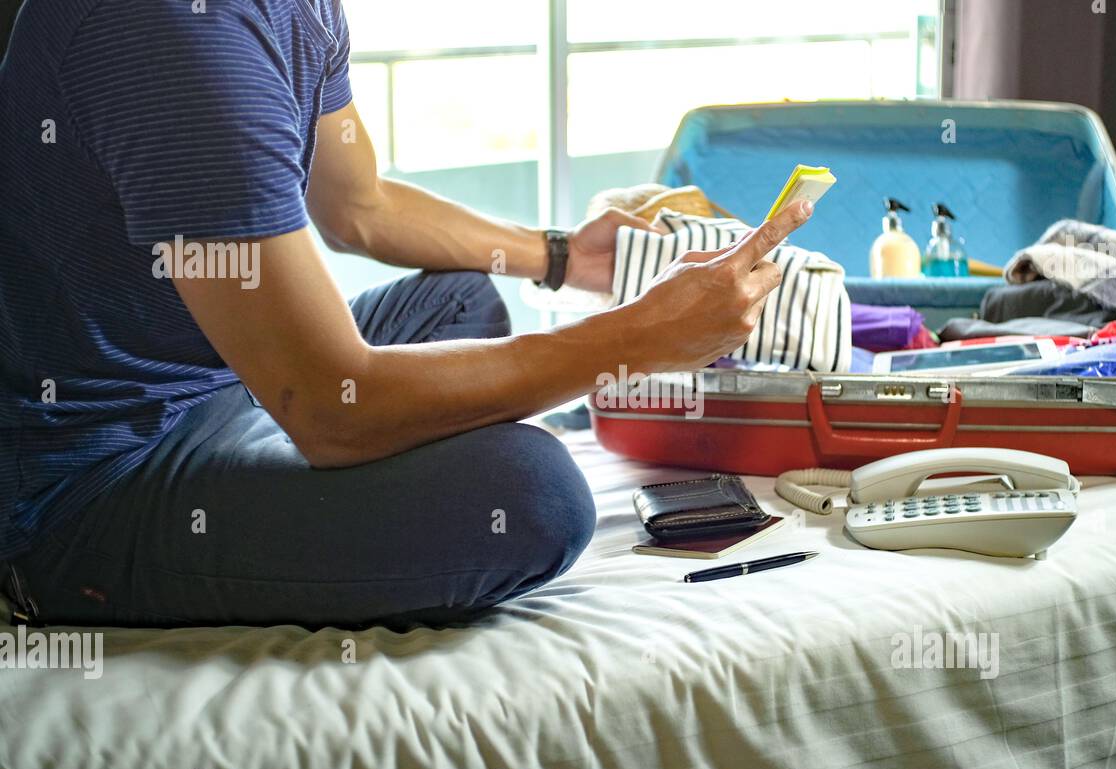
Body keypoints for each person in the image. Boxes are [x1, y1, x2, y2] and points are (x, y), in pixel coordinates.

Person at [0, 0, 811, 628]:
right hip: (92, 480)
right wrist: (637, 339)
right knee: (537, 497)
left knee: (463, 300)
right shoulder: (179, 37)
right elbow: (329, 406)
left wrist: (566, 255)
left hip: (221, 373)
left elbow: (359, 206)